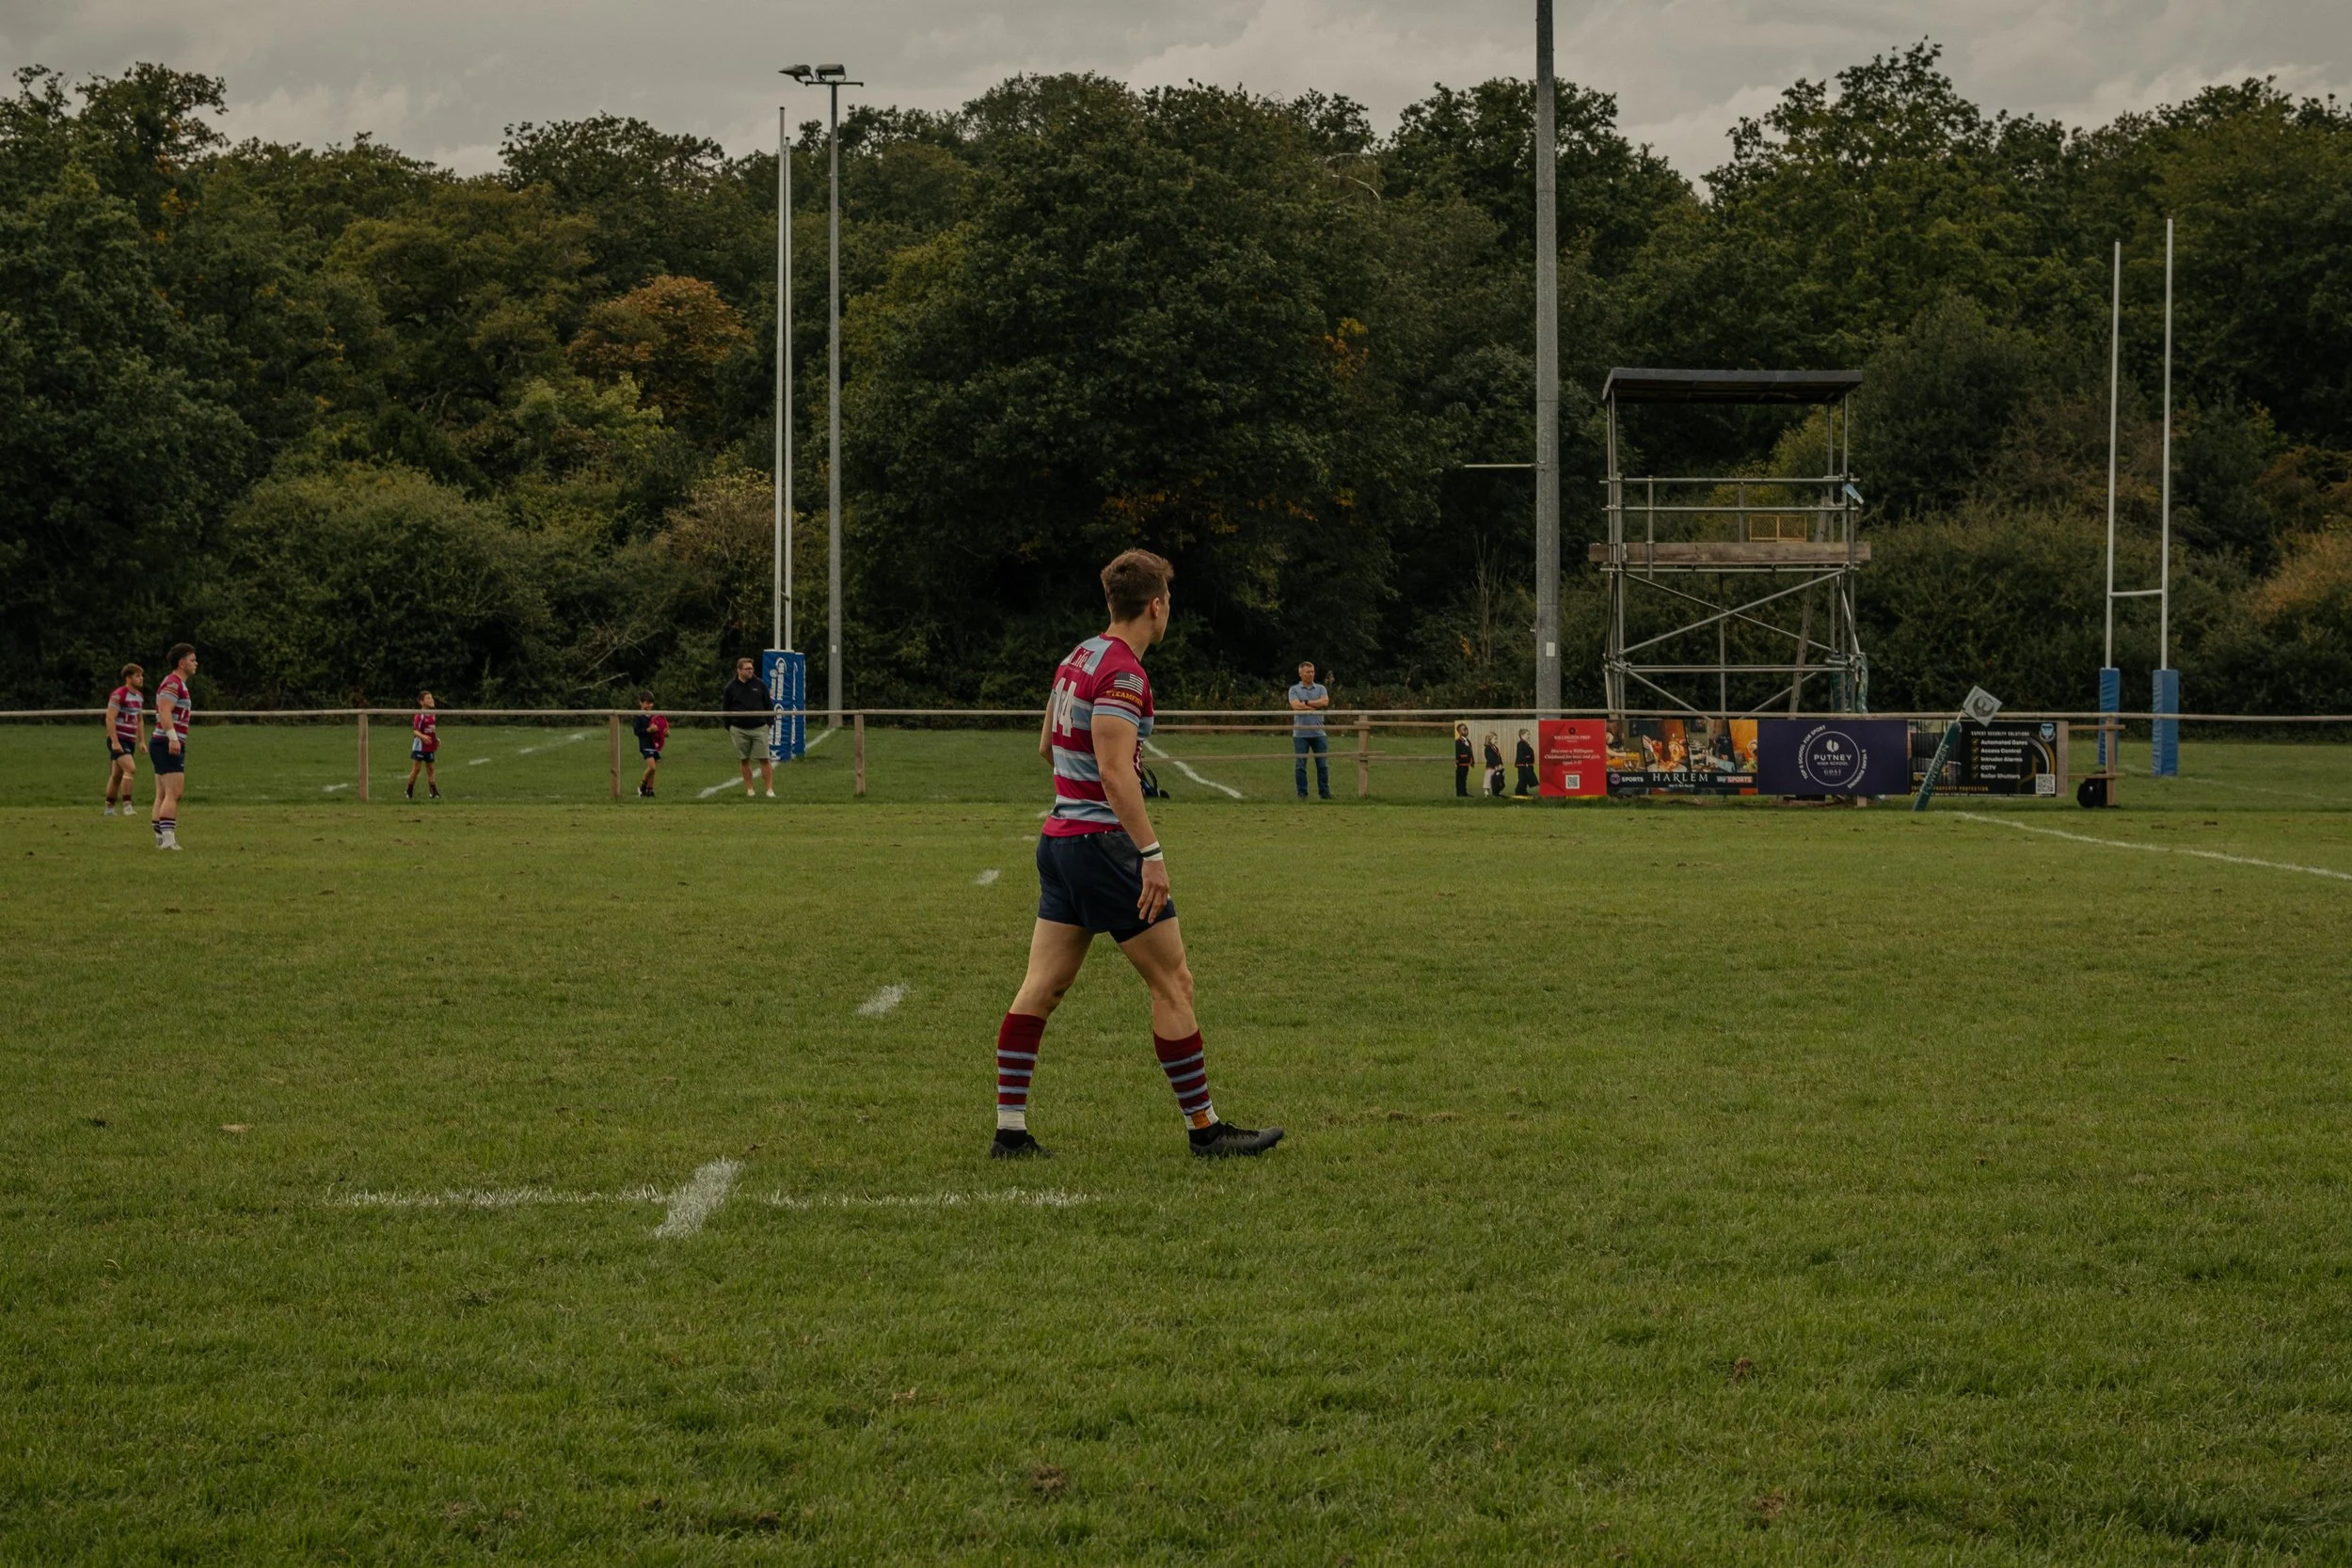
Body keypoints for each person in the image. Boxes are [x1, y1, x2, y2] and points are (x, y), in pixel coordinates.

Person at [991, 548, 1282, 1163]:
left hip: (1061, 843)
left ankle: (1010, 1130)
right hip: (1104, 849)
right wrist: (1149, 851)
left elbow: (1048, 745)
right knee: (1173, 980)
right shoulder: (1125, 673)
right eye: (1168, 601)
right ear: (1156, 605)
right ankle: (1205, 1128)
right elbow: (1115, 770)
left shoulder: (1077, 657)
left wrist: (1088, 789)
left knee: (1041, 986)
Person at [148, 643, 196, 850]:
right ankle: (168, 839)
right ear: (182, 663)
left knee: (163, 792)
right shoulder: (173, 683)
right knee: (174, 791)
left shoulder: (177, 683)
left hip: (162, 742)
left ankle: (161, 838)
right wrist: (173, 738)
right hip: (166, 742)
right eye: (192, 660)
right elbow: (165, 711)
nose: (196, 664)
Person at [722, 657, 775, 798]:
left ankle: (769, 790)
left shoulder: (760, 684)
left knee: (764, 758)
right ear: (739, 670)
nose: (750, 671)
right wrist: (730, 727)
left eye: (752, 668)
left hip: (759, 727)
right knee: (744, 759)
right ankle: (750, 790)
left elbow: (769, 705)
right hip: (739, 729)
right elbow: (725, 709)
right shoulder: (731, 687)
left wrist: (768, 723)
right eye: (747, 669)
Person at [103, 663, 144, 816]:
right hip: (118, 739)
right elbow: (110, 718)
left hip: (130, 740)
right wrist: (114, 741)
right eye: (137, 676)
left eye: (141, 676)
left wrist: (141, 741)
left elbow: (139, 720)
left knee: (116, 775)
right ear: (128, 678)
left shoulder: (139, 697)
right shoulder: (119, 694)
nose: (141, 679)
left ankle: (109, 809)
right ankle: (127, 806)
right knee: (130, 768)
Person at [1287, 659, 1331, 800]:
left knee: (1323, 765)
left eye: (1312, 672)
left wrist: (1305, 703)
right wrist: (1313, 706)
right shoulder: (1294, 689)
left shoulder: (1321, 688)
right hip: (1300, 733)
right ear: (1301, 673)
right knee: (1301, 765)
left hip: (1319, 733)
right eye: (1308, 672)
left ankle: (1324, 793)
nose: (1311, 674)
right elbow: (1295, 705)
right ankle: (1302, 793)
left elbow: (1324, 702)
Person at [405, 690, 440, 800]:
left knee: (431, 768)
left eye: (432, 698)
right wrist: (423, 737)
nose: (432, 700)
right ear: (422, 702)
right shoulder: (420, 715)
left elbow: (431, 730)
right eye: (428, 698)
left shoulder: (433, 715)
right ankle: (409, 790)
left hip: (429, 745)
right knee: (417, 769)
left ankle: (434, 792)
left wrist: (436, 739)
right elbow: (415, 731)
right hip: (420, 745)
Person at [633, 691, 669, 797]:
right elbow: (637, 731)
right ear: (641, 703)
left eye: (650, 703)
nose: (649, 705)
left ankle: (650, 790)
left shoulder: (655, 716)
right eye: (646, 703)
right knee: (652, 767)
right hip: (645, 745)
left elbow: (661, 729)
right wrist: (648, 730)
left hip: (655, 745)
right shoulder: (639, 716)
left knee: (653, 771)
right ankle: (642, 786)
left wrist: (665, 733)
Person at [1514, 727, 1538, 797]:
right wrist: (1525, 763)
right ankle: (1518, 791)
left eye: (1529, 734)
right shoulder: (1521, 744)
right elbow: (1521, 754)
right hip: (1522, 765)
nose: (1529, 736)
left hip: (1526, 764)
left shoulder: (1525, 743)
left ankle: (1523, 791)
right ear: (1522, 735)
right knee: (1522, 778)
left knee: (1525, 778)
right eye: (1527, 734)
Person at [1483, 731, 1506, 798]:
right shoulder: (1487, 748)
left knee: (1497, 779)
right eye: (1495, 739)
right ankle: (1486, 791)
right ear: (1490, 739)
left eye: (1496, 739)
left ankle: (1496, 791)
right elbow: (1490, 758)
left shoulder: (1496, 748)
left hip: (1497, 767)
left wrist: (1500, 763)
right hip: (1491, 767)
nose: (1496, 740)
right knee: (1488, 779)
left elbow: (1499, 757)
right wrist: (1496, 765)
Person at [1454, 721, 1473, 798]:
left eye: (1466, 729)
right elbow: (1457, 753)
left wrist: (1472, 761)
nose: (1466, 731)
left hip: (1466, 763)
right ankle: (1459, 793)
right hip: (1460, 763)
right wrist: (1457, 760)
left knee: (1464, 779)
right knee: (1459, 779)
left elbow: (1470, 752)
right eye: (1463, 729)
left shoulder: (1468, 742)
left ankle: (1464, 792)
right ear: (1459, 732)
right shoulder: (1458, 742)